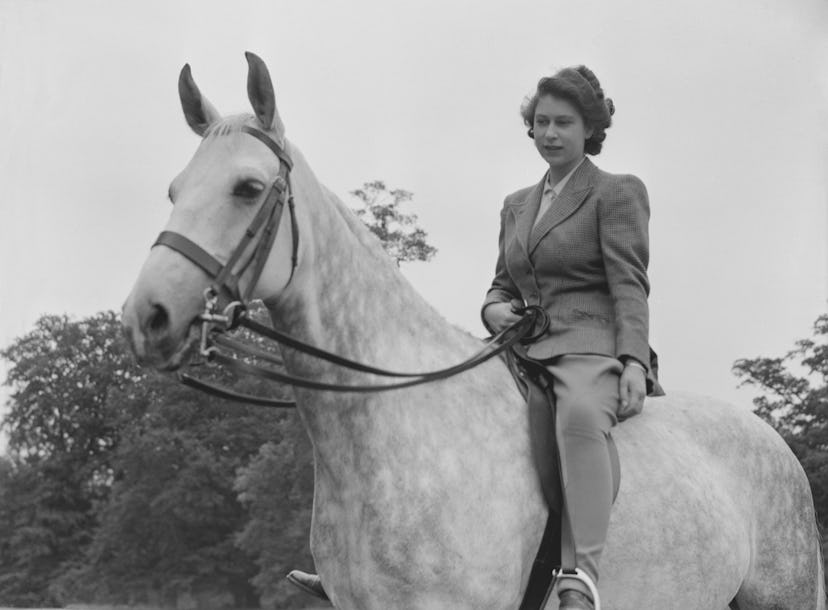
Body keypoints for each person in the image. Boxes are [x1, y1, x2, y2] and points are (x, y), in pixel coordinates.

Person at [480, 65, 663, 610]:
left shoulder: (617, 192)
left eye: (563, 122)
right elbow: (499, 286)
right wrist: (493, 312)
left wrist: (632, 360)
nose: (550, 133)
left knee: (581, 415)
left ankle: (580, 575)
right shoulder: (516, 203)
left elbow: (629, 284)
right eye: (541, 122)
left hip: (590, 342)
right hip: (519, 345)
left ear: (589, 130)